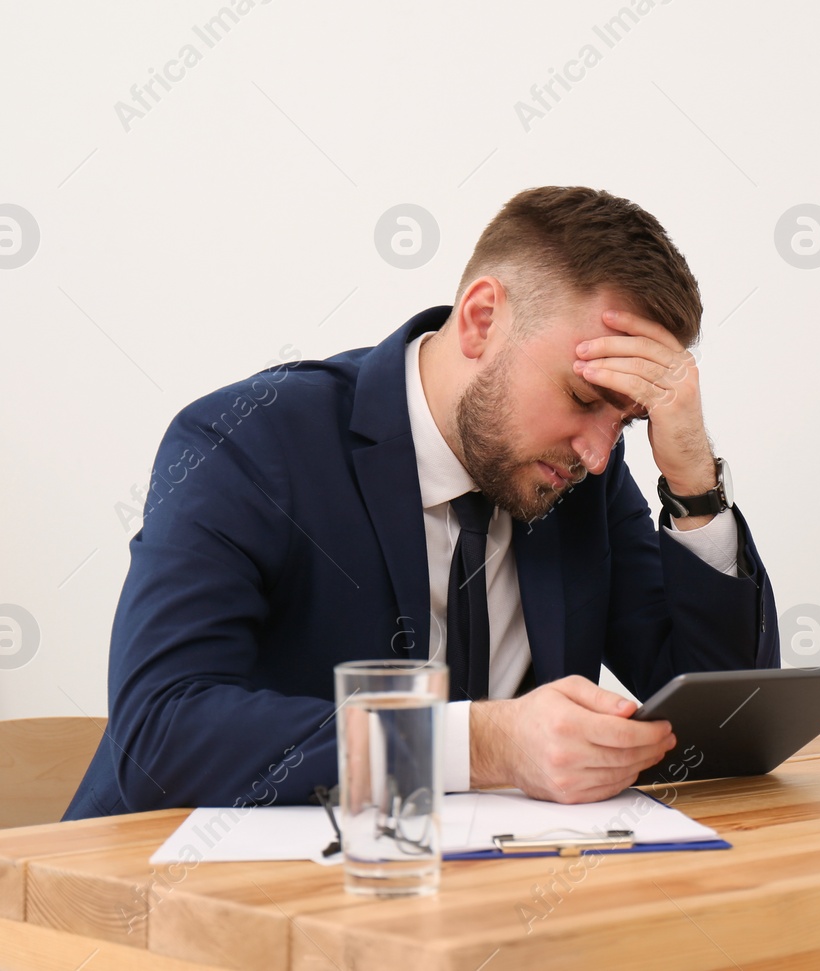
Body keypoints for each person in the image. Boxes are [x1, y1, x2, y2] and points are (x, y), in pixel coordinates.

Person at [63, 185, 780, 820]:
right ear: (480, 319)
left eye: (624, 421)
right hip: (167, 904)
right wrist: (484, 742)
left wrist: (692, 480)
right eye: (585, 396)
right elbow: (163, 730)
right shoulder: (249, 444)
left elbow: (725, 722)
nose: (599, 451)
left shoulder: (583, 473)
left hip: (443, 908)